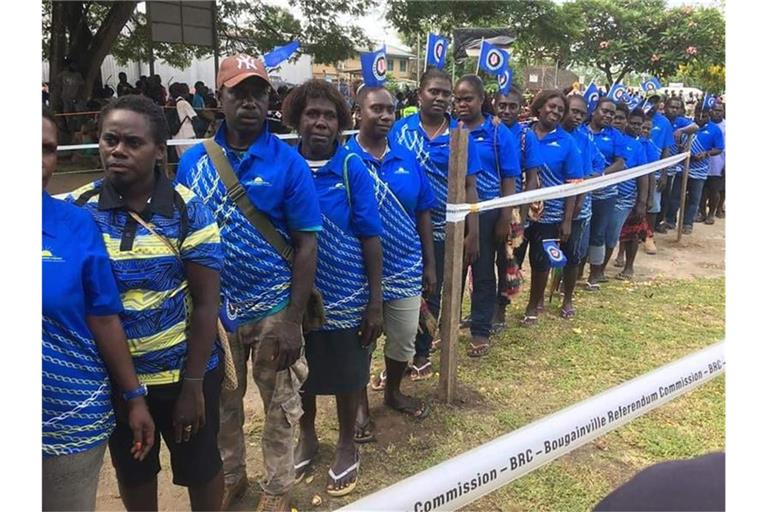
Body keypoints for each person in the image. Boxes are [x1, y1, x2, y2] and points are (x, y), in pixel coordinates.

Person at [176, 54, 320, 511]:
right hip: (214, 312)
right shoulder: (194, 163)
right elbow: (182, 235)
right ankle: (232, 476)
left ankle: (277, 490)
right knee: (221, 404)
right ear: (220, 97)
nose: (249, 102)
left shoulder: (288, 164)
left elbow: (306, 245)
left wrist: (293, 320)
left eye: (258, 92)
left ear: (269, 99)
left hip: (274, 308)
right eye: (238, 92)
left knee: (280, 407)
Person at [67, 95, 225, 511]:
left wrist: (192, 387)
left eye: (132, 143)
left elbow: (207, 305)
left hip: (184, 374)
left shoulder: (189, 211)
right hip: (117, 380)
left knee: (201, 468)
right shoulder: (77, 211)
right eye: (109, 140)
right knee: (134, 470)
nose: (117, 150)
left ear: (159, 150)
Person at [42, 109, 155, 512]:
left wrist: (134, 397)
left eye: (47, 149)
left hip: (69, 417)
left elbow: (104, 317)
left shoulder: (75, 223)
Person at [280, 80, 383, 497]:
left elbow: (372, 236)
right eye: (311, 114)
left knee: (345, 372)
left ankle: (344, 444)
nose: (319, 122)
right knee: (301, 370)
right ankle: (308, 436)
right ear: (298, 120)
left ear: (340, 122)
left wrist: (375, 303)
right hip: (296, 295)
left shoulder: (350, 167)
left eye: (328, 115)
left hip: (346, 292)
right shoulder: (285, 165)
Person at [347, 85, 436, 439]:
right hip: (356, 270)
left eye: (391, 110)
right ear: (358, 112)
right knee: (360, 340)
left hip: (405, 266)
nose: (385, 116)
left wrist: (429, 262)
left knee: (402, 340)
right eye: (377, 109)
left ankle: (394, 391)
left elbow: (424, 212)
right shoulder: (345, 160)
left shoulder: (406, 159)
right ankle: (359, 407)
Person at [389, 68, 481, 380]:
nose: (440, 98)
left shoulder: (459, 135)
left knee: (431, 289)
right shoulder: (398, 130)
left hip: (443, 230)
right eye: (434, 91)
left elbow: (470, 186)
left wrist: (474, 232)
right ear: (420, 94)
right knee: (399, 290)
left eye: (446, 93)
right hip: (399, 228)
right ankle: (395, 355)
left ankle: (422, 352)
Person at [453, 75, 521, 354]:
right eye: (457, 99)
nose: (461, 104)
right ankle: (448, 324)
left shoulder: (497, 133)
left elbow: (509, 178)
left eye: (468, 98)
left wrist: (505, 216)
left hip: (488, 213)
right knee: (453, 272)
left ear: (482, 100)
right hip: (454, 213)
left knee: (482, 272)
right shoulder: (449, 129)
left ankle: (481, 329)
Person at [521, 90, 583, 326]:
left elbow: (573, 184)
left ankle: (532, 306)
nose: (555, 112)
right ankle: (501, 306)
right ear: (539, 107)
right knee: (513, 259)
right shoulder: (523, 135)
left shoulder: (567, 142)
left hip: (551, 216)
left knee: (540, 262)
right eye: (551, 106)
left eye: (560, 109)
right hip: (521, 211)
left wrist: (567, 220)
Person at [492, 86, 544, 328]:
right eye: (502, 105)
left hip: (513, 206)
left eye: (513, 106)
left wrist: (521, 213)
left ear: (520, 108)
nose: (506, 110)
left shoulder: (525, 136)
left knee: (508, 260)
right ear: (494, 105)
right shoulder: (486, 129)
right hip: (485, 203)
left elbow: (532, 177)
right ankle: (481, 307)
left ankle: (501, 308)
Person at [561, 94, 605, 318]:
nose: (577, 116)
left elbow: (587, 174)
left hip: (578, 207)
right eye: (573, 111)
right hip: (550, 208)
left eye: (581, 113)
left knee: (573, 255)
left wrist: (576, 207)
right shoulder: (551, 133)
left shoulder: (584, 139)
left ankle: (567, 299)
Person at [585, 98, 625, 290]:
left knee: (598, 234)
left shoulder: (615, 136)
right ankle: (573, 274)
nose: (608, 116)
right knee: (580, 234)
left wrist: (600, 176)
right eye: (605, 111)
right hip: (582, 192)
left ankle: (594, 275)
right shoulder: (580, 131)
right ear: (594, 110)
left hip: (606, 193)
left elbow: (620, 163)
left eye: (612, 113)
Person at [665, 102, 723, 234]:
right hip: (682, 167)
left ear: (709, 115)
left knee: (694, 198)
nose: (701, 118)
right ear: (694, 113)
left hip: (700, 170)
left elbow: (719, 148)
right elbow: (678, 138)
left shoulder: (715, 129)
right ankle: (670, 220)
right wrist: (681, 146)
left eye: (704, 115)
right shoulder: (686, 124)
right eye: (698, 115)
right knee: (675, 196)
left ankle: (687, 223)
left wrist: (706, 153)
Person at [608, 106, 649, 280]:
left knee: (631, 232)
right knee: (607, 234)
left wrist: (642, 201)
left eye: (621, 118)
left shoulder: (637, 145)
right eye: (615, 117)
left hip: (628, 198)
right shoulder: (608, 138)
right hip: (607, 196)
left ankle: (629, 267)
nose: (634, 127)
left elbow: (644, 174)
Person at [659, 95, 699, 231]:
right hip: (653, 164)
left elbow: (695, 127)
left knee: (666, 196)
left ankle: (661, 221)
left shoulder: (681, 121)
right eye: (671, 107)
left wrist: (681, 131)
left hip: (670, 166)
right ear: (665, 107)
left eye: (677, 107)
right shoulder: (659, 119)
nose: (674, 110)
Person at [643, 94, 674, 251]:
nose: (652, 104)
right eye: (650, 100)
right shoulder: (634, 116)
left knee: (653, 206)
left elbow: (666, 148)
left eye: (656, 101)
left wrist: (664, 172)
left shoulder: (664, 122)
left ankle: (649, 237)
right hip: (634, 170)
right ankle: (626, 241)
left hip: (655, 171)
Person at [700, 101, 726, 223]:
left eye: (720, 110)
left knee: (715, 190)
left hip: (719, 163)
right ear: (710, 111)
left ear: (724, 112)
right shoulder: (704, 124)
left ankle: (711, 214)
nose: (717, 112)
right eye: (715, 110)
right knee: (702, 189)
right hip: (702, 163)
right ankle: (702, 213)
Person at [168, 82, 200, 157]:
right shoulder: (184, 103)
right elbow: (195, 118)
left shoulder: (172, 103)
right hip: (187, 135)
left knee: (182, 158)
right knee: (192, 158)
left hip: (176, 136)